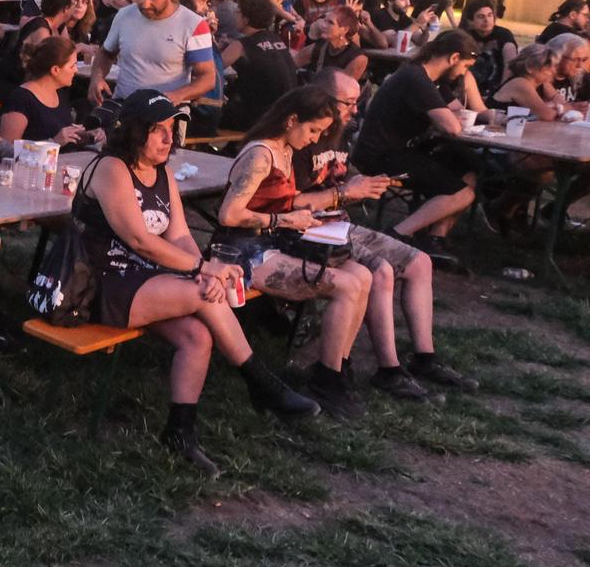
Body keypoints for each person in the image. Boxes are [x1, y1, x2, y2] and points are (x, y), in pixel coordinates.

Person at [76, 90, 319, 471]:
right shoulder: (111, 168)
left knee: (198, 335)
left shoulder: (162, 173)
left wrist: (206, 265)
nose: (168, 138)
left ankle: (179, 432)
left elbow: (179, 236)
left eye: (171, 129)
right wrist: (202, 271)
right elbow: (140, 240)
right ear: (133, 131)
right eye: (157, 130)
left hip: (145, 281)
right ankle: (261, 384)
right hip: (99, 284)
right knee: (203, 294)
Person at [212, 88, 385, 418]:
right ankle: (327, 379)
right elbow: (228, 215)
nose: (315, 138)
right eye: (313, 130)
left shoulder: (286, 149)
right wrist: (284, 219)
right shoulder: (261, 155)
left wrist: (299, 218)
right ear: (292, 119)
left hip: (273, 242)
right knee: (347, 285)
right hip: (243, 252)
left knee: (362, 275)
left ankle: (334, 369)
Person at [300, 69, 472, 391]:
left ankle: (424, 358)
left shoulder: (341, 134)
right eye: (349, 103)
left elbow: (338, 177)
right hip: (310, 230)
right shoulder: (302, 136)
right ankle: (389, 369)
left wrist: (358, 184)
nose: (356, 110)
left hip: (339, 224)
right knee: (380, 273)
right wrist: (347, 192)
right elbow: (291, 200)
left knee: (421, 263)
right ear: (322, 101)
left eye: (357, 102)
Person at [351, 30, 483, 246]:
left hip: (401, 150)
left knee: (469, 165)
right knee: (464, 194)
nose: (463, 74)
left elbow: (457, 110)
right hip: (379, 157)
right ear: (454, 58)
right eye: (465, 67)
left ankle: (436, 236)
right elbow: (452, 127)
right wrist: (450, 117)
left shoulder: (432, 80)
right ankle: (396, 234)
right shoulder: (416, 78)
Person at [90, 0, 216, 106]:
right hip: (124, 105)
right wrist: (97, 78)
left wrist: (178, 95)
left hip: (166, 113)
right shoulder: (124, 15)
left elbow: (207, 76)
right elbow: (106, 53)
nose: (145, 4)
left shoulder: (194, 24)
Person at [221, 0, 299, 130]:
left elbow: (212, 68)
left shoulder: (242, 45)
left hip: (258, 118)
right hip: (284, 114)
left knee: (208, 115)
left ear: (246, 19)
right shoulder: (276, 39)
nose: (234, 14)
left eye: (238, 11)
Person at [0, 35, 94, 147]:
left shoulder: (58, 93)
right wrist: (52, 142)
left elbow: (61, 136)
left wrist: (87, 136)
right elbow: (7, 148)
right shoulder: (22, 99)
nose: (76, 71)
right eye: (72, 66)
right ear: (55, 70)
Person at [457, 1, 517, 98]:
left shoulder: (503, 35)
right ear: (470, 21)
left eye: (489, 15)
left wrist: (501, 90)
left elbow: (510, 64)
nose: (486, 20)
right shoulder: (465, 36)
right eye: (481, 17)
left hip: (497, 87)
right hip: (469, 86)